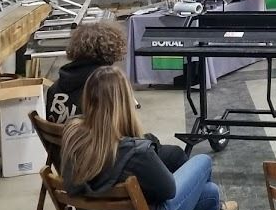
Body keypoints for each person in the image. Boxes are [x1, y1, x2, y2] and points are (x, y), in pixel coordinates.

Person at [61, 66, 239, 210]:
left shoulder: (73, 138)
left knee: (210, 193)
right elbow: (168, 191)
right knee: (203, 161)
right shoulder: (136, 153)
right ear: (124, 104)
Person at [45, 22, 187, 172]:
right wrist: (150, 142)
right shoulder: (101, 86)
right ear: (109, 50)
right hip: (98, 163)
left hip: (68, 162)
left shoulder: (55, 87)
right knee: (175, 155)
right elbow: (121, 137)